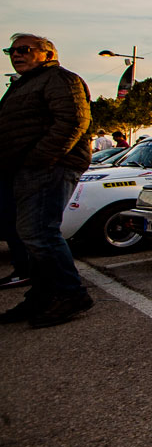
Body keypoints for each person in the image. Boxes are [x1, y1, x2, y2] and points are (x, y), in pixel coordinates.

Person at [0, 33, 94, 327]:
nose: (16, 55)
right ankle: (42, 295)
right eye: (11, 51)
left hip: (48, 167)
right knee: (28, 235)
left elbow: (73, 122)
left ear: (48, 53)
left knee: (39, 232)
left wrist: (39, 159)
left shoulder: (60, 79)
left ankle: (71, 293)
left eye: (24, 50)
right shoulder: (25, 83)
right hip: (23, 168)